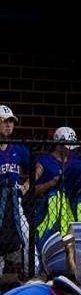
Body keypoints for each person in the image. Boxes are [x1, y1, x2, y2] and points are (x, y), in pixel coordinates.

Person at [32, 127, 77, 255]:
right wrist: (50, 184)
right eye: (67, 146)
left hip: (69, 207)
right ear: (58, 145)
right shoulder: (44, 160)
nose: (69, 150)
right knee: (46, 239)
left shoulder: (73, 160)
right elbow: (32, 188)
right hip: (47, 207)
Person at [0, 105, 33, 277]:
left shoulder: (19, 149)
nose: (8, 125)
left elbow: (34, 172)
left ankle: (30, 277)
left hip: (14, 201)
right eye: (5, 121)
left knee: (27, 239)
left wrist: (23, 188)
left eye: (11, 122)